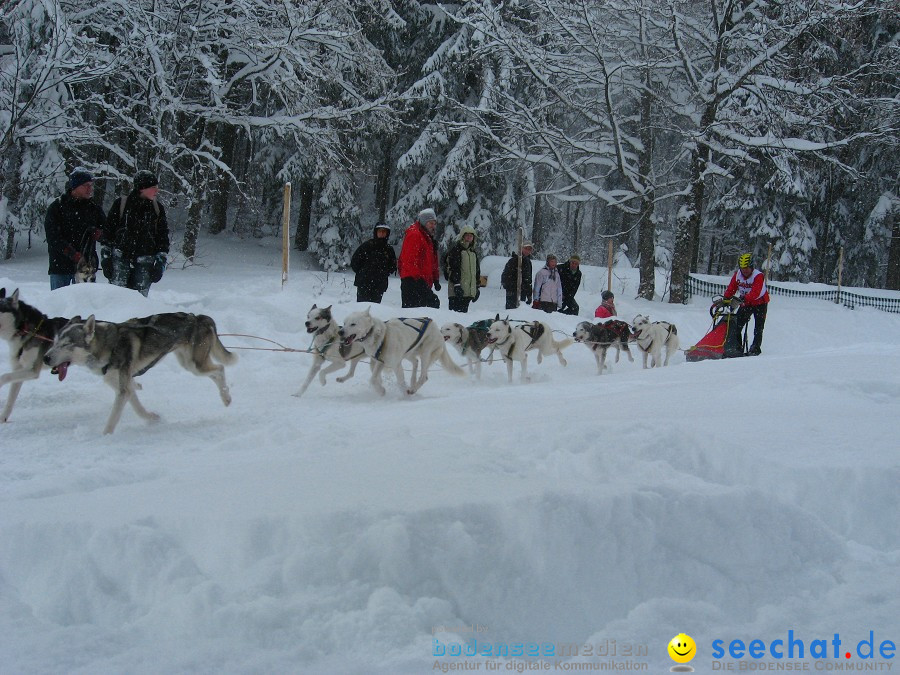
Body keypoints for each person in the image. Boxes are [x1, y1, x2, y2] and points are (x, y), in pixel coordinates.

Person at [102, 170, 170, 297]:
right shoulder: (121, 204)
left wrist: (161, 262)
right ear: (142, 188)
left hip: (145, 263)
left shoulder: (157, 209)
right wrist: (106, 258)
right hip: (120, 260)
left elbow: (162, 237)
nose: (157, 191)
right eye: (153, 187)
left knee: (139, 303)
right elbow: (108, 233)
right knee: (116, 298)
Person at [45, 168, 105, 290]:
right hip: (60, 265)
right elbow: (53, 237)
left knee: (85, 304)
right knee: (59, 304)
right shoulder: (57, 207)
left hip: (86, 266)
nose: (90, 189)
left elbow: (107, 232)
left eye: (91, 185)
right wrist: (71, 253)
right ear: (75, 187)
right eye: (85, 185)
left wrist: (100, 234)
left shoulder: (94, 209)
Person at [723, 252, 770, 356]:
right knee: (737, 325)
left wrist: (745, 298)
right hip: (746, 303)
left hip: (760, 303)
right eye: (742, 268)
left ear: (751, 267)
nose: (744, 270)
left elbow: (756, 292)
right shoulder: (738, 275)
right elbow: (732, 287)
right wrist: (726, 297)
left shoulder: (758, 276)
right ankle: (737, 347)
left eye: (747, 268)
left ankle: (755, 348)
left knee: (758, 327)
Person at [397, 207, 441, 308]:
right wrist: (418, 282)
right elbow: (410, 261)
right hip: (412, 282)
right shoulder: (415, 235)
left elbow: (431, 261)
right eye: (430, 223)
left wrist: (435, 278)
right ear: (424, 222)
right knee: (414, 317)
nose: (433, 226)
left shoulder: (427, 238)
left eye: (434, 223)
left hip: (421, 282)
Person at [350, 222, 397, 303]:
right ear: (376, 232)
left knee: (375, 310)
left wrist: (383, 273)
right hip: (364, 284)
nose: (382, 233)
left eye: (384, 231)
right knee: (362, 310)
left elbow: (392, 266)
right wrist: (363, 273)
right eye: (380, 231)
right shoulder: (367, 246)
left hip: (379, 285)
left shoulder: (388, 249)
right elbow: (355, 262)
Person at [444, 225, 481, 313]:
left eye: (471, 236)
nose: (469, 237)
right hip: (456, 292)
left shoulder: (473, 253)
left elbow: (476, 271)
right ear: (462, 236)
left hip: (468, 293)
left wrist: (476, 287)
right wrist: (457, 284)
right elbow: (452, 268)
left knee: (463, 319)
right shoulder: (456, 250)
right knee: (455, 318)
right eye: (467, 235)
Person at [501, 242, 534, 310]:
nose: (527, 251)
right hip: (512, 291)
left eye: (529, 249)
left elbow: (528, 279)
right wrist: (509, 286)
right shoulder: (514, 260)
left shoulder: (528, 261)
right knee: (511, 311)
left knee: (520, 311)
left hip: (522, 292)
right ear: (521, 248)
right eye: (526, 248)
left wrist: (529, 294)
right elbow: (505, 274)